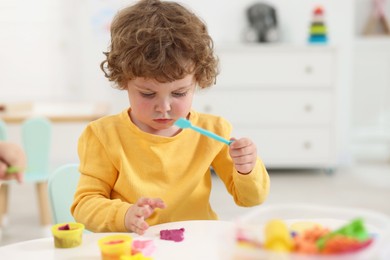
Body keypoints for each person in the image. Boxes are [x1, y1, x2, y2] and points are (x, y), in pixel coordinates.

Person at [71, 0, 270, 235]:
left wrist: (247, 168)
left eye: (179, 93)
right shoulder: (103, 135)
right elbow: (84, 205)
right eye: (147, 93)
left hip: (195, 244)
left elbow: (251, 199)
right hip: (135, 246)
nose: (164, 108)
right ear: (124, 81)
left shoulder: (214, 129)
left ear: (197, 80)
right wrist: (124, 215)